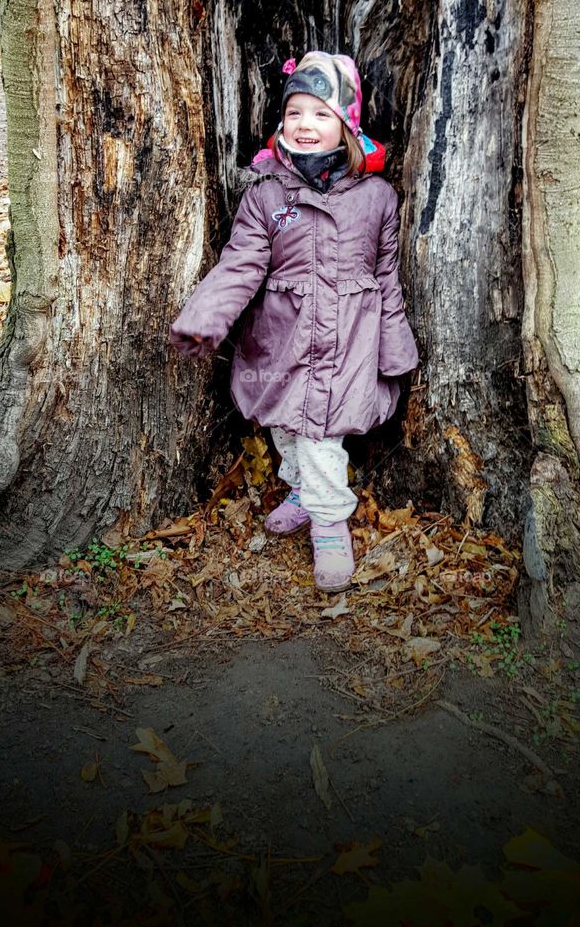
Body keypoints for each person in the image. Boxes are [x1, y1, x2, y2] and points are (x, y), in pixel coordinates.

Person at [168, 50, 419, 592]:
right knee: (287, 425)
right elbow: (240, 262)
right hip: (282, 336)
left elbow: (387, 274)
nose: (305, 125)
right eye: (295, 113)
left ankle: (330, 526)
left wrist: (395, 347)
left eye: (321, 114)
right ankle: (303, 491)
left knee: (323, 434)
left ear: (347, 126)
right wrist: (204, 318)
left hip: (349, 337)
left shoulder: (376, 197)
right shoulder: (268, 194)